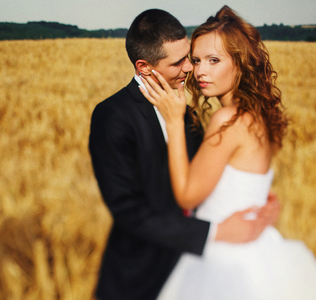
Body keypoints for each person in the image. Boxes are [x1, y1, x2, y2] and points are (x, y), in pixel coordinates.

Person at [139, 5, 316, 300]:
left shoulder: (228, 120)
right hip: (260, 252)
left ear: (240, 63)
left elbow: (186, 194)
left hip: (224, 259)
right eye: (196, 60)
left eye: (214, 60)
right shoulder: (259, 115)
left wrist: (172, 120)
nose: (201, 70)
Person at [88, 8, 280, 300]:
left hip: (205, 268)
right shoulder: (112, 116)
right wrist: (214, 233)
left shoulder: (187, 113)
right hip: (140, 274)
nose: (192, 69)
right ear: (144, 67)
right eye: (181, 61)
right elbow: (128, 211)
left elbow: (210, 177)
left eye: (190, 57)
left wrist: (258, 199)